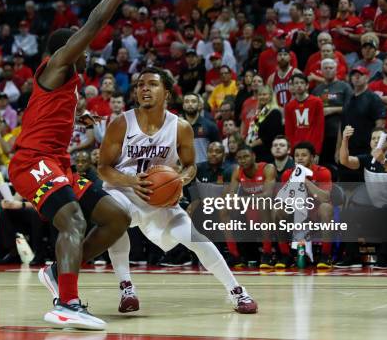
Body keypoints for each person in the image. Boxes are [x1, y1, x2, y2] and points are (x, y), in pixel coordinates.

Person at [9, 0, 139, 331]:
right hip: (32, 163)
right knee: (73, 221)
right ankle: (66, 301)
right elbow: (96, 22)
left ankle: (57, 271)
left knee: (117, 217)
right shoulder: (57, 64)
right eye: (83, 49)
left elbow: (48, 112)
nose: (88, 53)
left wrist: (77, 115)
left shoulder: (70, 81)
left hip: (56, 163)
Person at [98, 68, 257, 314]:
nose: (144, 89)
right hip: (124, 192)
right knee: (115, 220)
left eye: (152, 84)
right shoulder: (121, 123)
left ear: (167, 94)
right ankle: (126, 287)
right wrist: (131, 182)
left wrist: (180, 180)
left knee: (194, 237)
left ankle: (237, 291)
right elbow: (103, 169)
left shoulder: (180, 127)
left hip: (160, 198)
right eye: (140, 84)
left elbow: (190, 166)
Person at [338, 126, 387, 269]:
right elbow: (344, 161)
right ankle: (352, 257)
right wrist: (344, 140)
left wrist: (383, 161)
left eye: (379, 138)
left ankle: (384, 259)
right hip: (375, 208)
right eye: (373, 138)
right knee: (348, 213)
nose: (375, 141)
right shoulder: (367, 159)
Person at [278, 142, 333, 269]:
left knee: (326, 207)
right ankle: (286, 255)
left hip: (316, 213)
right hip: (297, 213)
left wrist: (305, 180)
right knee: (277, 209)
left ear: (312, 158)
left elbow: (325, 198)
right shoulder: (287, 174)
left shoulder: (322, 172)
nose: (300, 158)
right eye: (297, 155)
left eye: (304, 155)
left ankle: (325, 255)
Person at [226, 144, 276, 268]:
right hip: (250, 207)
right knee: (224, 209)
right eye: (240, 158)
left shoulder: (267, 168)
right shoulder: (237, 172)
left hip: (272, 208)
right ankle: (234, 255)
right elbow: (231, 195)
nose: (243, 160)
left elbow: (267, 195)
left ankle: (267, 253)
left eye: (246, 156)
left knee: (263, 204)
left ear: (254, 156)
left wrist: (242, 200)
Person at [311, 58, 353, 165]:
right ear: (321, 71)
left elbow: (352, 108)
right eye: (325, 68)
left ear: (336, 70)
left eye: (331, 68)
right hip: (321, 135)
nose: (328, 70)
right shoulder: (317, 90)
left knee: (338, 163)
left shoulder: (345, 87)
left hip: (338, 133)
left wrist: (332, 110)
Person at [284, 73, 325, 155]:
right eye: (296, 83)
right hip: (296, 148)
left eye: (302, 83)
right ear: (292, 86)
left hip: (312, 148)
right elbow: (289, 131)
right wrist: (291, 151)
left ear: (307, 86)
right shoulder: (289, 106)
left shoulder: (317, 102)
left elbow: (319, 128)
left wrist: (316, 151)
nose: (299, 85)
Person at [182, 93, 220, 164]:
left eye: (193, 101)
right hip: (184, 170)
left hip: (205, 170)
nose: (190, 104)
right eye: (187, 101)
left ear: (199, 105)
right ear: (183, 105)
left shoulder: (210, 125)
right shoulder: (177, 127)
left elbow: (218, 150)